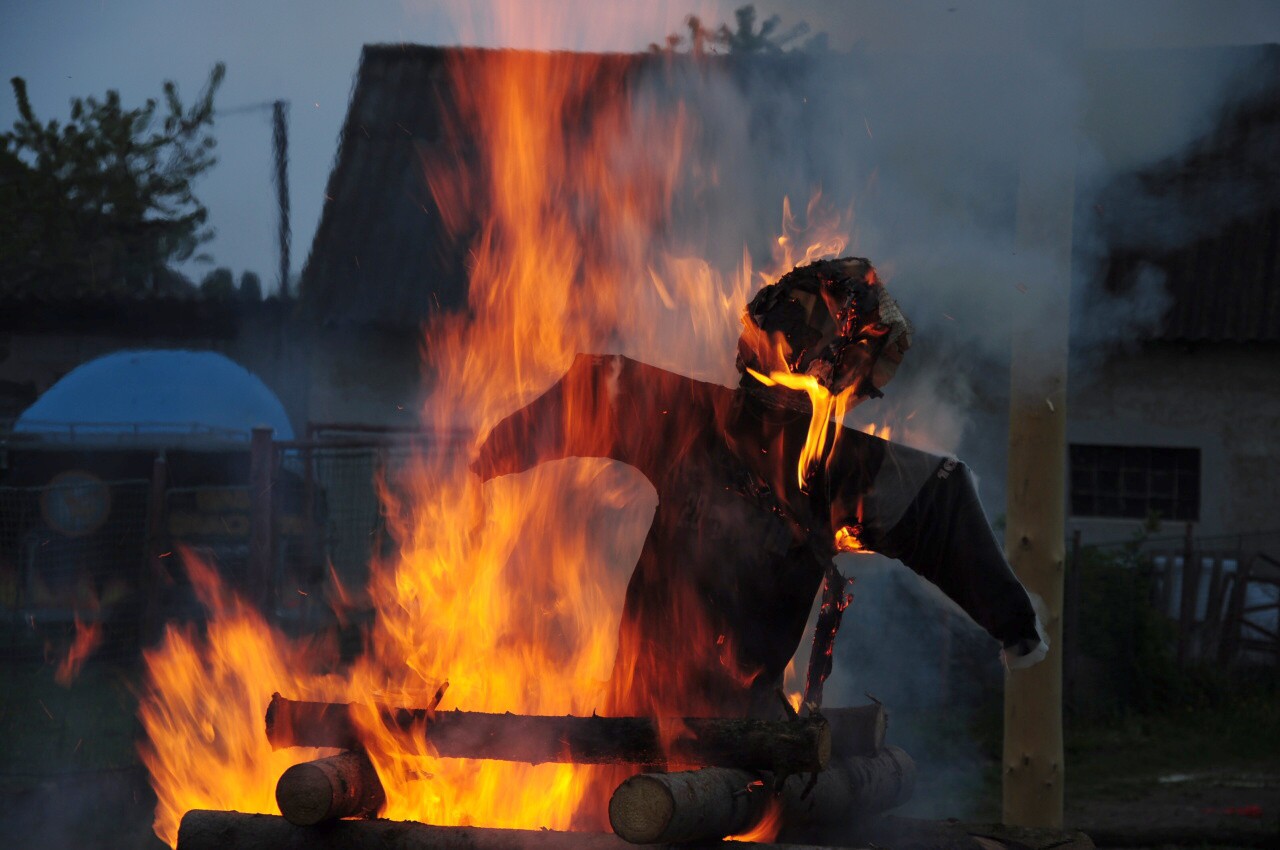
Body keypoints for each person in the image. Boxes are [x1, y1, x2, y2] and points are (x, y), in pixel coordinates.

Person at [472, 257, 1045, 723]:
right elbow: (600, 391)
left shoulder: (821, 459)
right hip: (659, 709)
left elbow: (939, 506)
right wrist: (1016, 629)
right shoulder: (725, 429)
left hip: (716, 722)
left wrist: (491, 456)